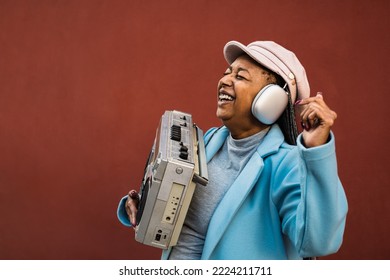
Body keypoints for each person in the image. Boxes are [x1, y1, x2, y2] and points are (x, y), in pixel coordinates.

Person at [117, 40, 348, 260]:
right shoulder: (207, 142)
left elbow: (318, 240)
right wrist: (146, 203)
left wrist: (316, 152)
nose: (225, 80)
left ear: (272, 100)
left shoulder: (287, 166)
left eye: (240, 76)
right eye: (227, 72)